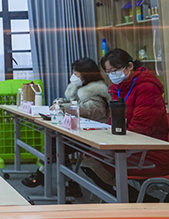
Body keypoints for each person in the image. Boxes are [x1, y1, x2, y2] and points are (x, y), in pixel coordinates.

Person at [80, 48, 169, 201]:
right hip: (128, 146)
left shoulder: (147, 87)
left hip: (149, 152)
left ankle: (143, 202)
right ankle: (136, 200)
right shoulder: (119, 88)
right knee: (89, 159)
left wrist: (112, 143)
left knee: (93, 162)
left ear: (129, 66)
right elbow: (113, 122)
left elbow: (142, 128)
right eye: (108, 72)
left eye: (114, 70)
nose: (112, 75)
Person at [22, 57, 111, 196]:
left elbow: (85, 109)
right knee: (56, 142)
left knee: (57, 145)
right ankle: (67, 183)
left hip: (94, 136)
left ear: (85, 74)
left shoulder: (97, 93)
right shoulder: (79, 89)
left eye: (76, 74)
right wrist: (59, 102)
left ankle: (44, 175)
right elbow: (72, 103)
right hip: (80, 132)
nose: (73, 76)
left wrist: (62, 107)